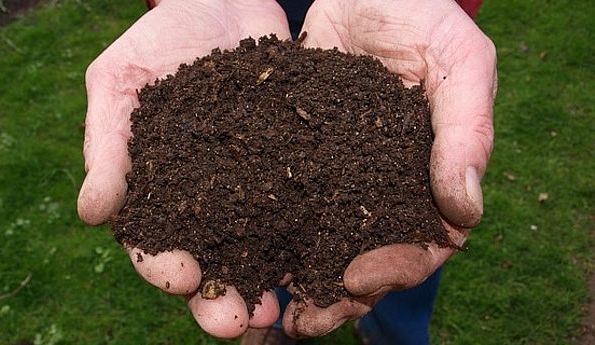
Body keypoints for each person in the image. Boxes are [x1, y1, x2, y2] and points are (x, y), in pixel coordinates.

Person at [77, 0, 497, 343]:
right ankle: (276, 320)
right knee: (274, 254)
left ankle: (392, 334)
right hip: (234, 12)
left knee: (401, 261)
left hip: (376, 25)